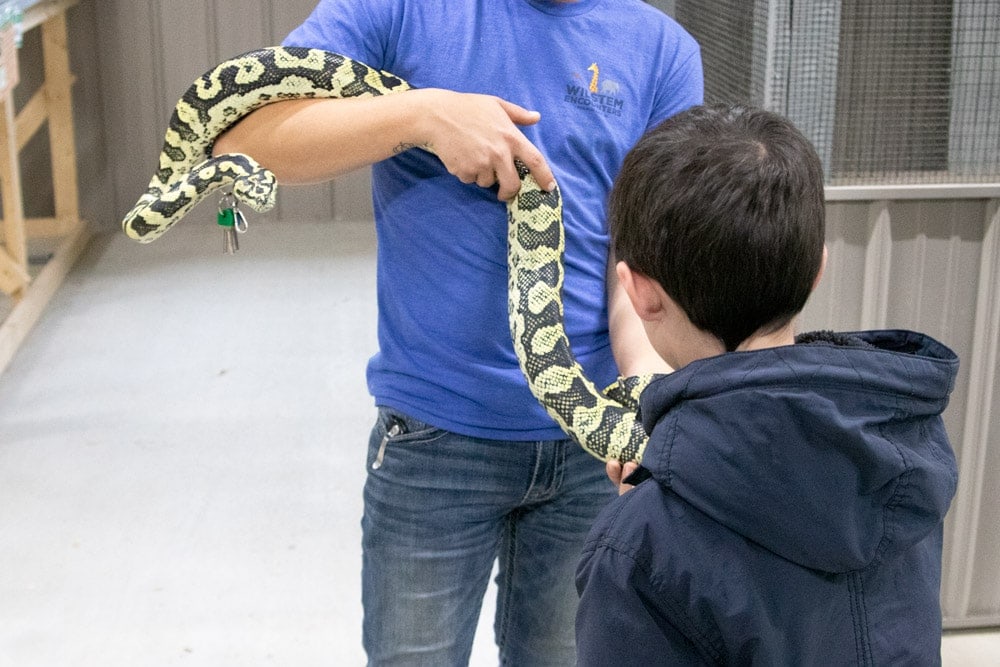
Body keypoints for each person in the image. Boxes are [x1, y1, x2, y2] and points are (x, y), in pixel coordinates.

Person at [213, 1, 703, 664]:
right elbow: (240, 137)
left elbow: (639, 268)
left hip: (591, 458)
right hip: (434, 443)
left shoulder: (662, 51)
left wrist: (645, 389)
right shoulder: (401, 9)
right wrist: (422, 115)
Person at [575, 104, 960, 665]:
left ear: (637, 293)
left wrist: (651, 516)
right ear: (817, 271)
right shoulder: (904, 451)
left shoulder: (636, 547)